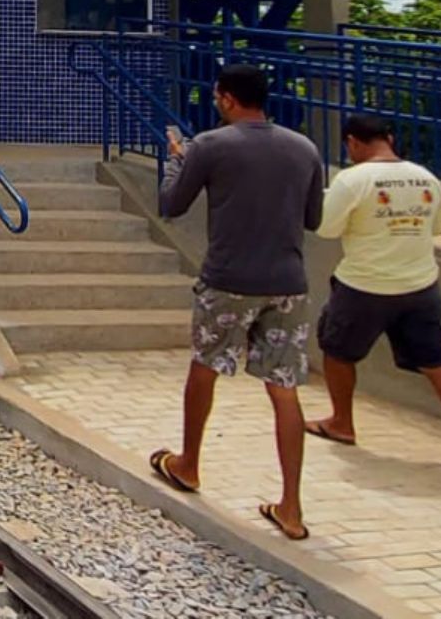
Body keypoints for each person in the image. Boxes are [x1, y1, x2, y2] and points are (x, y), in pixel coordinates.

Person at [149, 64, 324, 541]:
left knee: (205, 366)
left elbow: (171, 203)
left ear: (227, 98)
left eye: (217, 97)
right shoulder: (304, 148)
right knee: (284, 388)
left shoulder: (210, 145)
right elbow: (313, 218)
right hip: (288, 282)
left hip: (228, 280)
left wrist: (176, 161)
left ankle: (188, 463)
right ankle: (291, 507)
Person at [308, 114, 441, 480]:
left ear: (352, 142)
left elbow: (326, 228)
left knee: (337, 351)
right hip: (420, 285)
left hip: (364, 285)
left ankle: (341, 422)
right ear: (389, 138)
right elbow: (435, 227)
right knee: (437, 362)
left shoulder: (352, 180)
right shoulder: (426, 178)